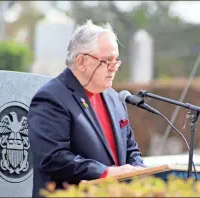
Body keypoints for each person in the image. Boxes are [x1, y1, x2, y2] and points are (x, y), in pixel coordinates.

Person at [27, 20, 146, 197]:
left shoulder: (114, 98)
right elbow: (52, 157)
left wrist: (141, 173)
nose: (114, 68)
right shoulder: (51, 97)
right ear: (82, 61)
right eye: (107, 61)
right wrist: (103, 172)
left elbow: (130, 150)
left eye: (116, 60)